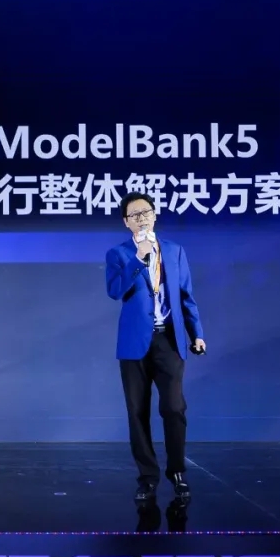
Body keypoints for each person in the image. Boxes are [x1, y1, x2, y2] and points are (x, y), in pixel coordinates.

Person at [105, 192, 205, 503]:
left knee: (174, 408)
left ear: (154, 214)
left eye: (145, 212)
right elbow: (115, 291)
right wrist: (139, 258)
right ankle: (147, 477)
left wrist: (197, 333)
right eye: (134, 215)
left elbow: (186, 296)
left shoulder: (174, 251)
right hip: (134, 343)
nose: (141, 218)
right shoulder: (119, 254)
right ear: (126, 222)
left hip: (168, 339)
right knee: (137, 412)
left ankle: (177, 471)